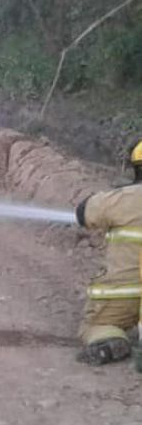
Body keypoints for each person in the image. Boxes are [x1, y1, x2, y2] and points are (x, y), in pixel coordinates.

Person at [75, 139, 142, 365]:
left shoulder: (122, 198)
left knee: (95, 327)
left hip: (123, 294)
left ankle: (109, 338)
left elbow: (82, 212)